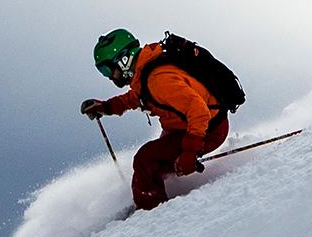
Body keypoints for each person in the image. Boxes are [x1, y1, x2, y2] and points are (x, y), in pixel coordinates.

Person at [80, 28, 232, 211]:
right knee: (156, 163)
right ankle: (158, 198)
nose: (110, 76)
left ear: (123, 60)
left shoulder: (158, 80)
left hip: (209, 129)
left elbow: (198, 111)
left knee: (145, 160)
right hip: (187, 126)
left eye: (108, 69)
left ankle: (151, 213)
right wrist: (105, 107)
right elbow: (136, 98)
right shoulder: (147, 72)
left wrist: (189, 152)